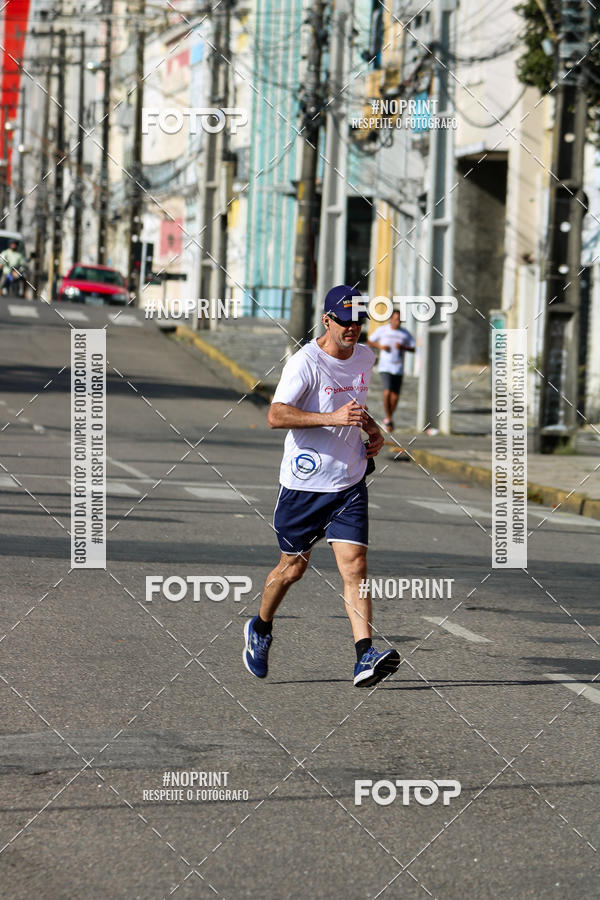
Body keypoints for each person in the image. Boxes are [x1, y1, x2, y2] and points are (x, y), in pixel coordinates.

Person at [243, 285, 401, 687]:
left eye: (359, 322)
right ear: (326, 320)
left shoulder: (365, 356)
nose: (352, 329)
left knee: (356, 567)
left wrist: (372, 429)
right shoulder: (305, 363)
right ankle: (260, 628)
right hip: (304, 484)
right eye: (344, 322)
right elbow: (276, 416)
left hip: (348, 481)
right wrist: (330, 417)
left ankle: (364, 655)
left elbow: (356, 408)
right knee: (293, 569)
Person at [367, 309, 415, 432]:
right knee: (387, 392)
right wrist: (381, 346)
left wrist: (403, 347)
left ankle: (388, 418)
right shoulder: (383, 330)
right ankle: (388, 418)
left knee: (395, 397)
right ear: (390, 319)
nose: (397, 322)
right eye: (395, 319)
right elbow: (370, 341)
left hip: (398, 367)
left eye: (399, 320)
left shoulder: (404, 333)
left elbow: (413, 348)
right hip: (385, 366)